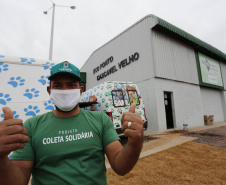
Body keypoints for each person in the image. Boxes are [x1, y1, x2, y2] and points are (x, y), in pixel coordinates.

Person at [0, 61, 144, 185]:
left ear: (80, 90)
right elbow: (18, 181)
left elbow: (121, 167)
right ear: (49, 91)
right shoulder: (31, 126)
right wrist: (1, 158)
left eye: (71, 85)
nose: (65, 90)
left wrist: (135, 143)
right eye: (57, 85)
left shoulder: (100, 120)